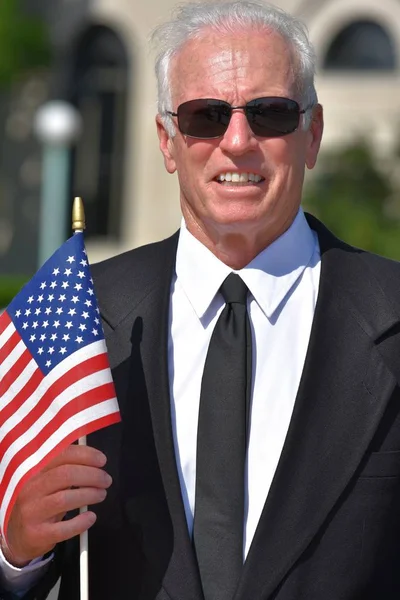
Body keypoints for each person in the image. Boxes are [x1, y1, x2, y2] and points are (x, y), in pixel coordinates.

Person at [2, 1, 400, 598]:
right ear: (167, 141)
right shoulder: (78, 326)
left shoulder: (391, 315)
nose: (237, 141)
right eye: (206, 116)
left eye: (269, 114)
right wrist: (15, 554)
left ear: (311, 134)